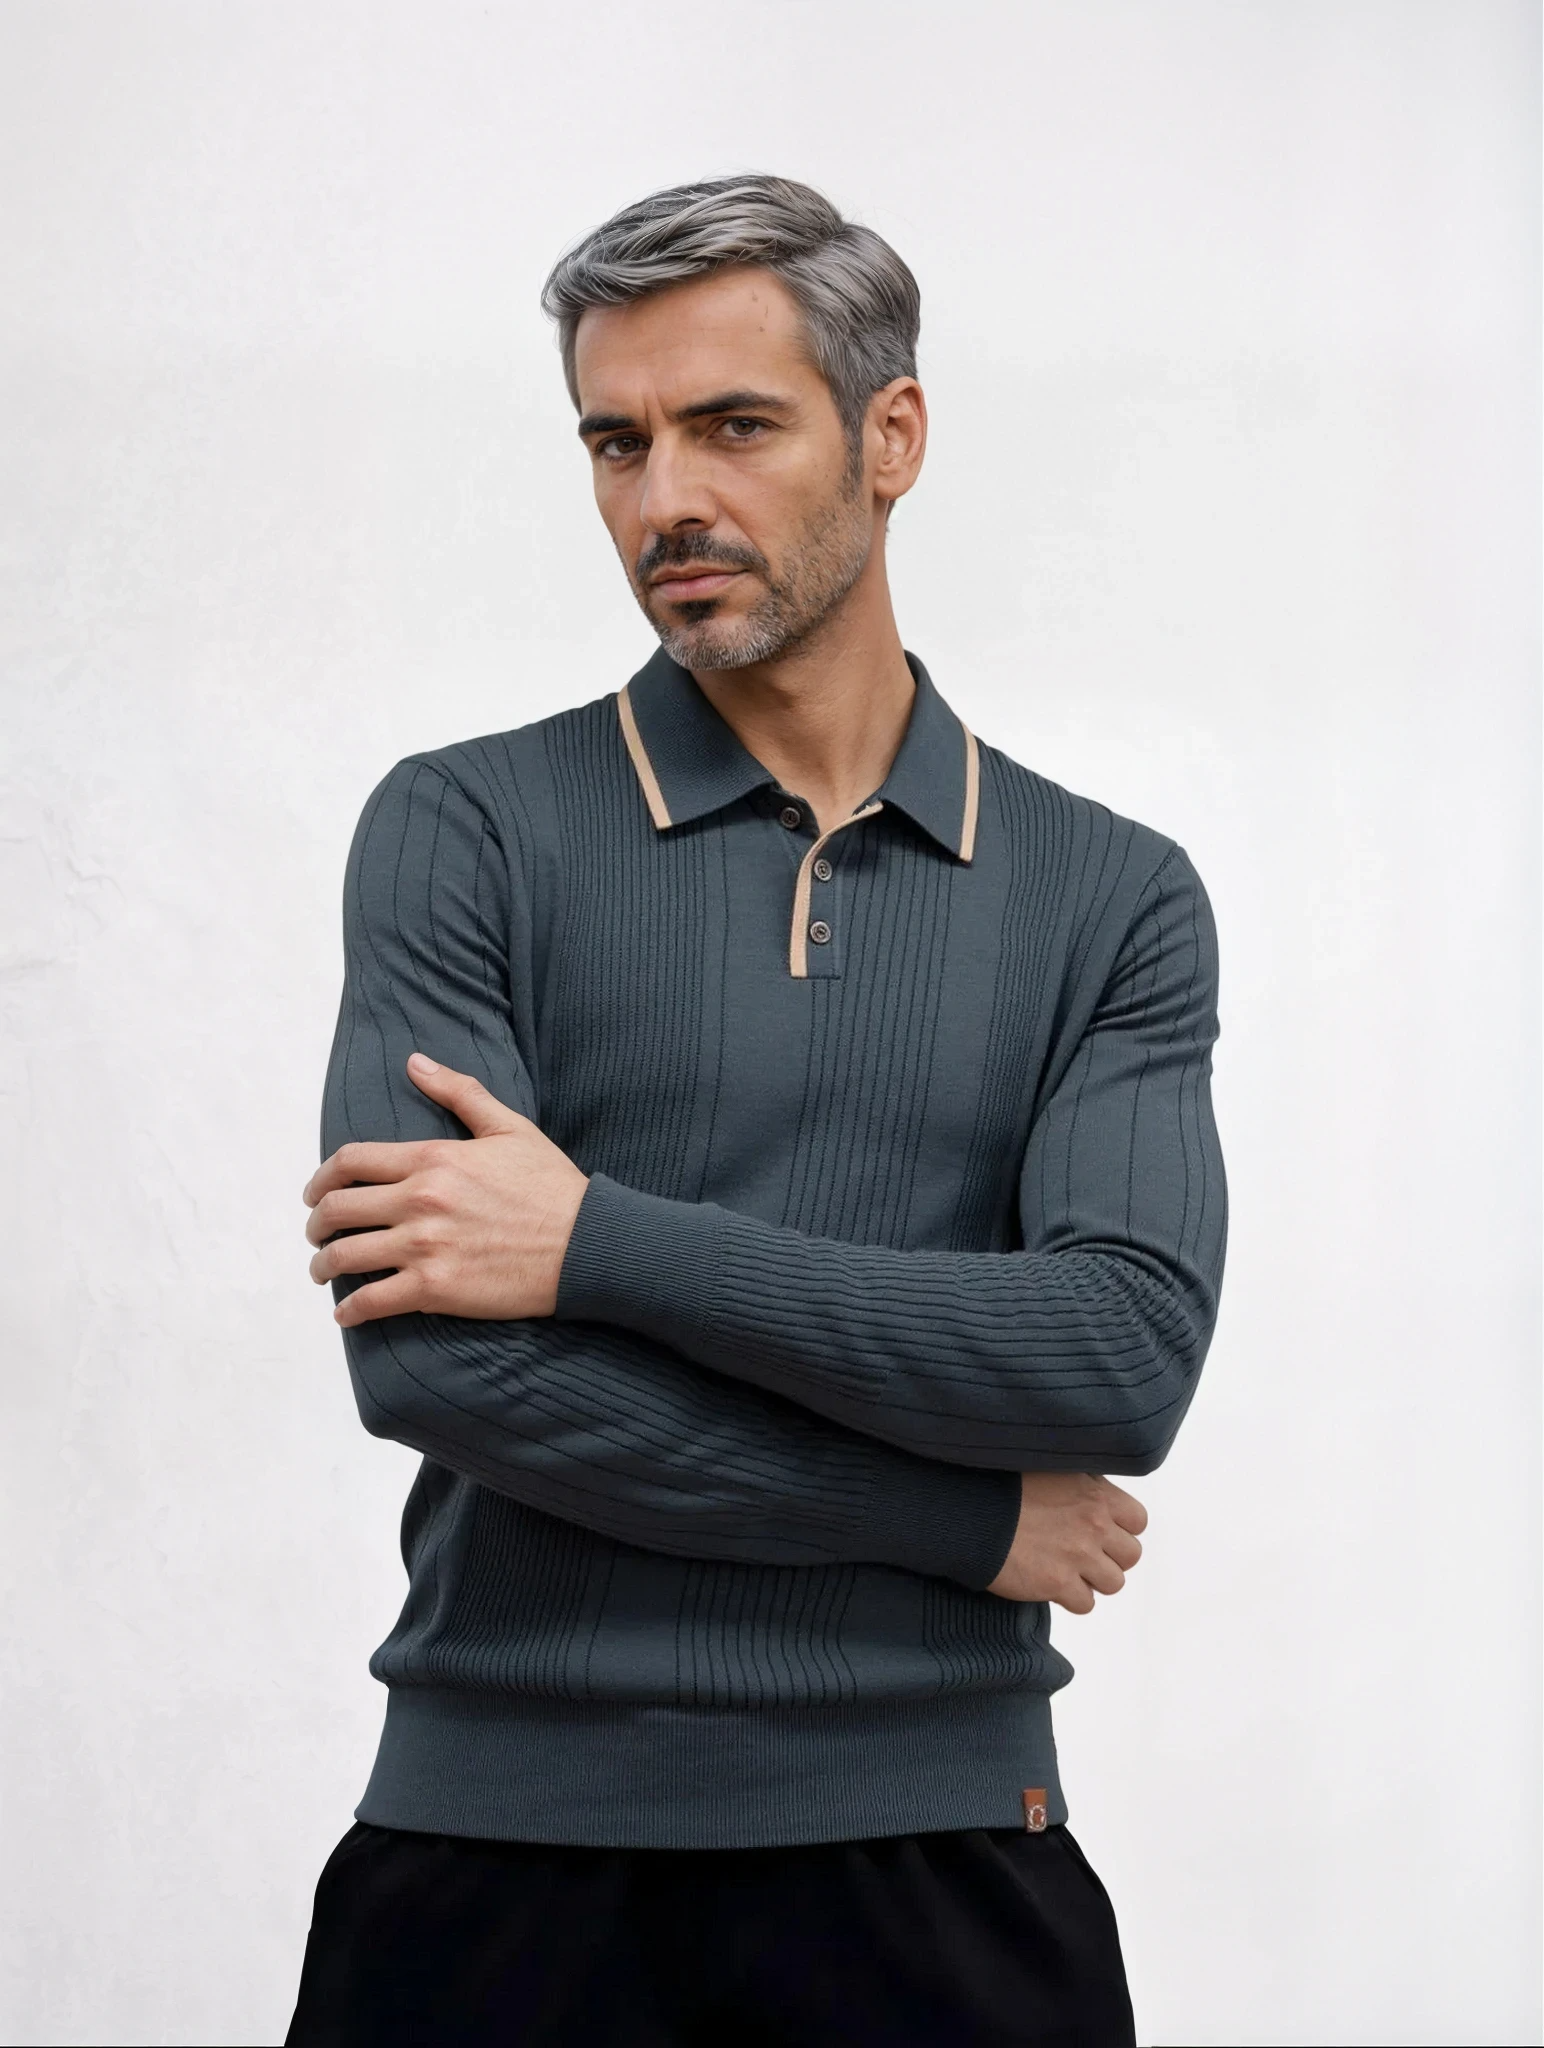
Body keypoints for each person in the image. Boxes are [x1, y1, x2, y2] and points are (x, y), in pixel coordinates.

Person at [284, 174, 1226, 2047]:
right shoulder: (463, 828)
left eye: (732, 427)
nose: (664, 502)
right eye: (615, 444)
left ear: (893, 437)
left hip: (945, 1857)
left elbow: (1116, 1360)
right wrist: (954, 1518)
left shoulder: (1110, 896)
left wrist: (595, 1245)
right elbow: (439, 1369)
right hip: (495, 1856)